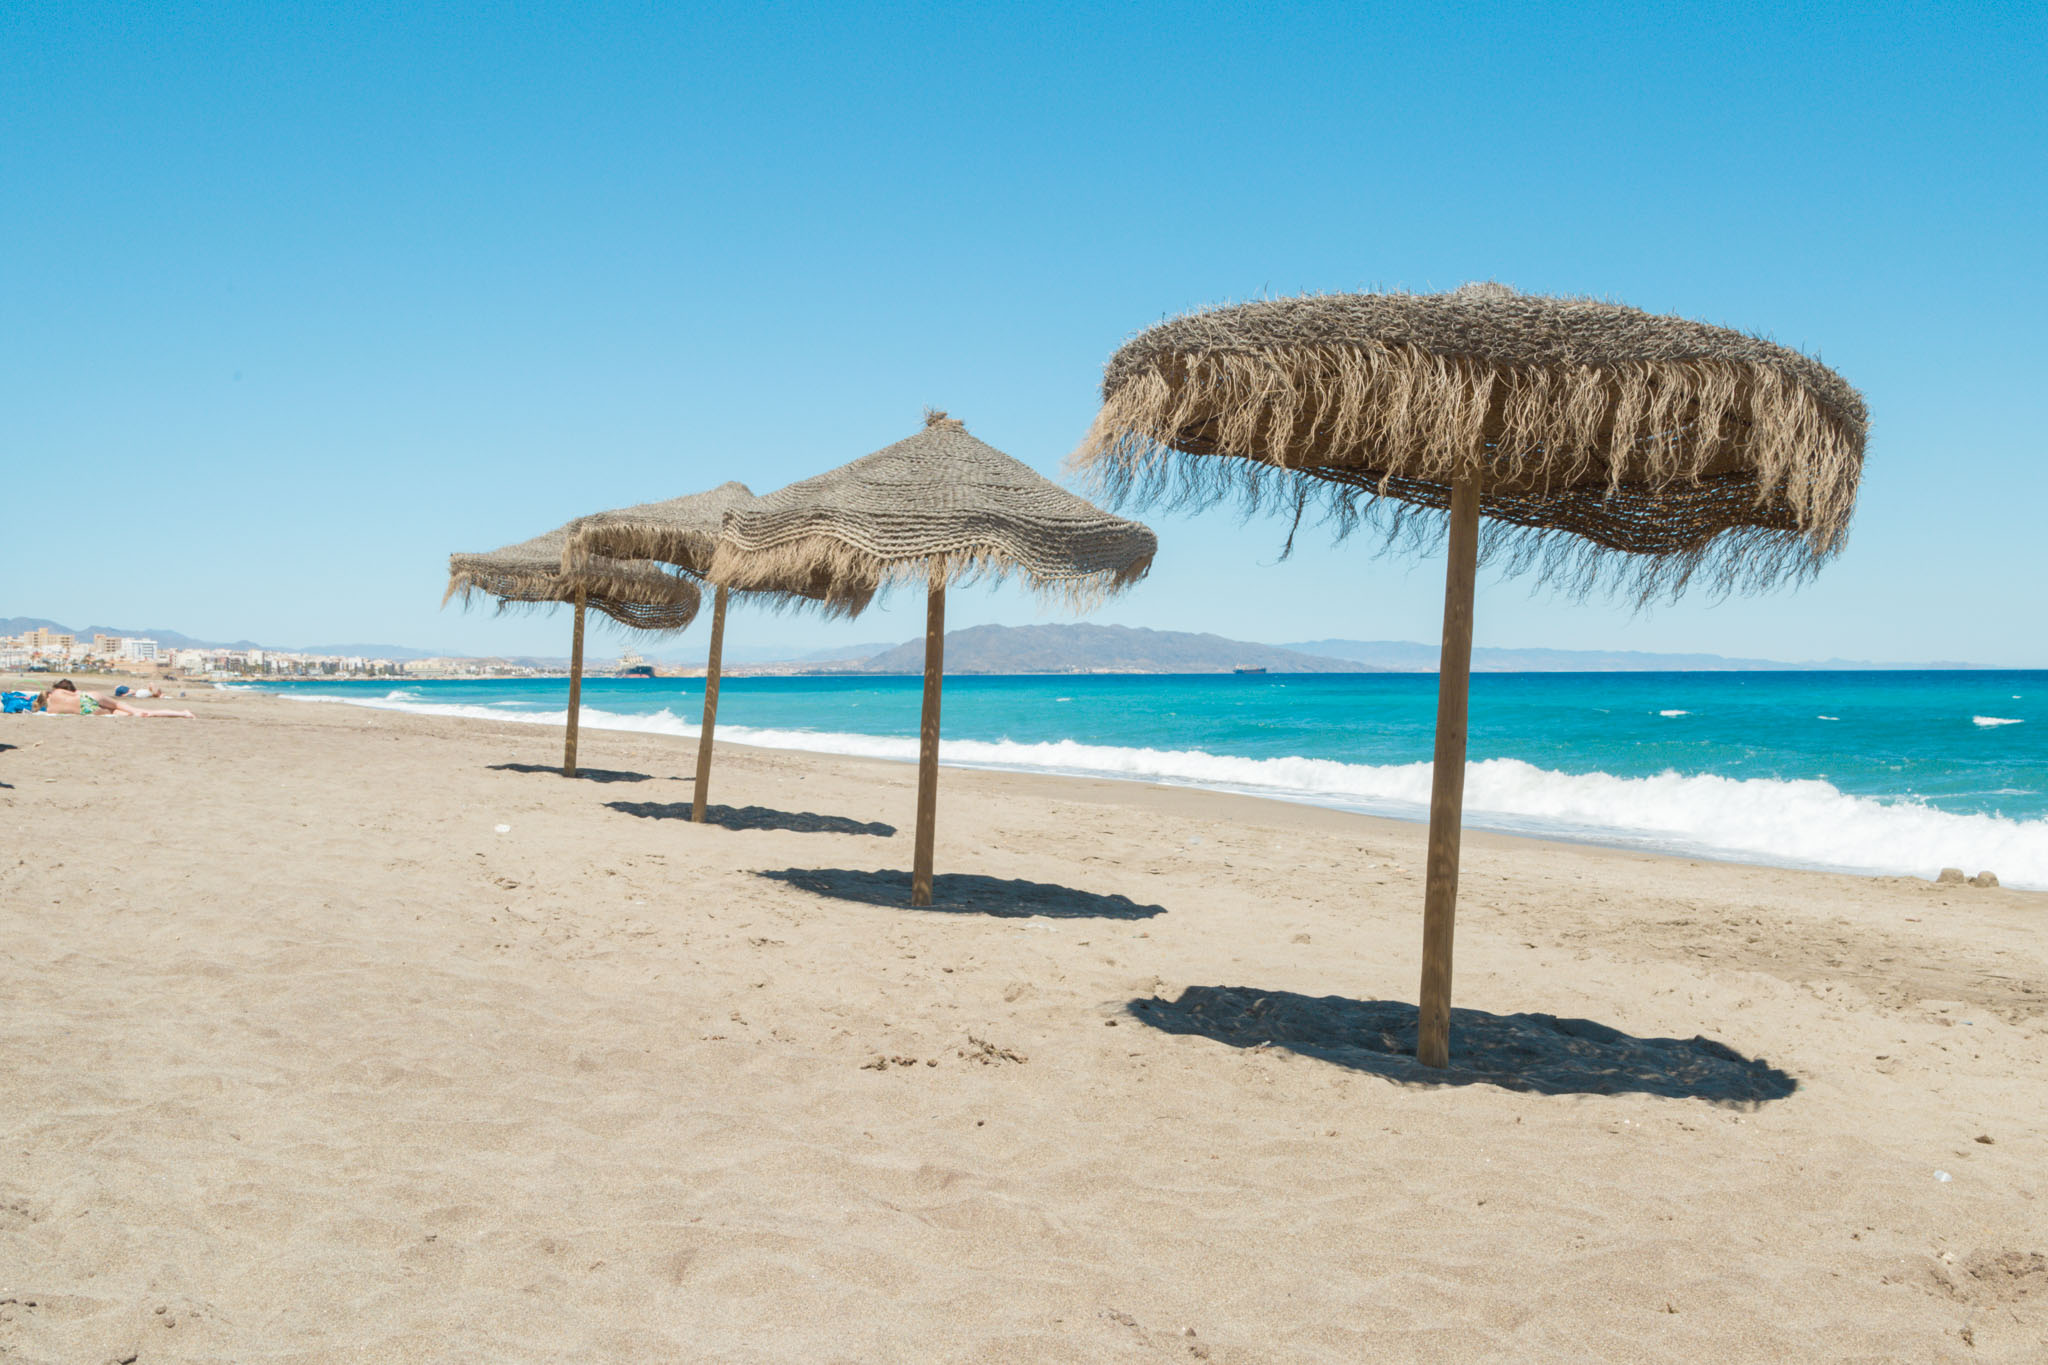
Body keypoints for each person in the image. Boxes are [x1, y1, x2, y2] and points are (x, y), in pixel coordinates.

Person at [35, 679, 194, 719]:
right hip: (87, 698)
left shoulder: (49, 710)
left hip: (87, 710)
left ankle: (183, 714)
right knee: (133, 709)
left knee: (131, 714)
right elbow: (77, 694)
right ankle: (183, 713)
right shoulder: (57, 692)